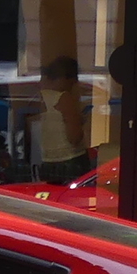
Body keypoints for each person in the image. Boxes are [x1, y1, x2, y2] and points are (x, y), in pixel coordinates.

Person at [34, 55, 94, 183]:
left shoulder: (39, 97)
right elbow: (74, 138)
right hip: (70, 160)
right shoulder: (64, 98)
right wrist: (80, 122)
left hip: (47, 161)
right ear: (67, 78)